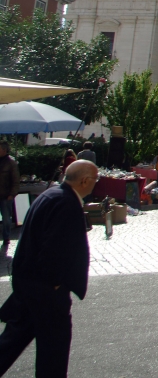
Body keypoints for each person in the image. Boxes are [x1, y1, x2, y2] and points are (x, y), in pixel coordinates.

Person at [0, 160, 97, 377]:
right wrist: (54, 283)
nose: (95, 184)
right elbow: (55, 249)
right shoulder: (67, 203)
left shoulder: (50, 195)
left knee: (13, 340)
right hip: (46, 290)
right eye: (95, 180)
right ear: (84, 181)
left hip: (28, 282)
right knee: (54, 348)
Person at [0, 142, 19, 252]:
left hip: (6, 195)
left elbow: (15, 181)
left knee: (6, 218)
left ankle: (6, 237)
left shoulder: (11, 163)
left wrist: (12, 194)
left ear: (4, 150)